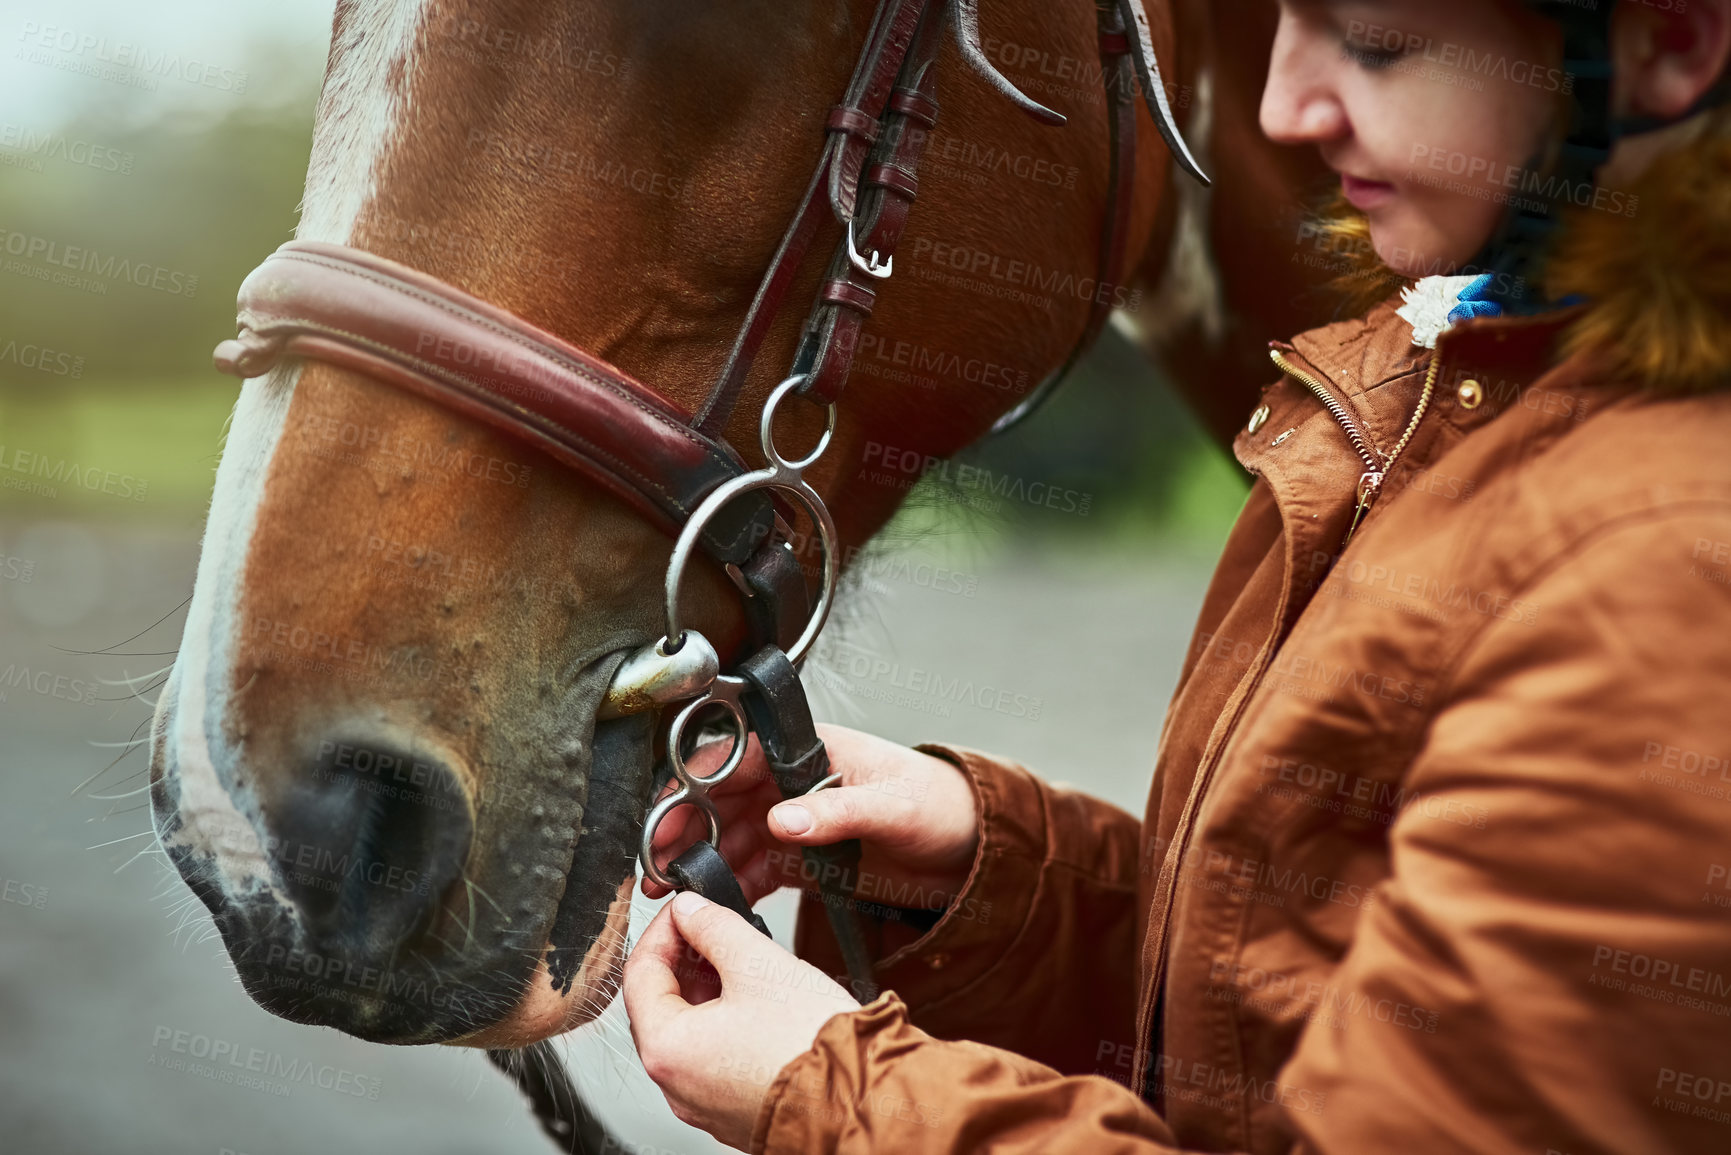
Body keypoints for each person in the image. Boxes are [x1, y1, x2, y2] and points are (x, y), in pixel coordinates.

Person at [622, 0, 1731, 1150]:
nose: (1281, 111)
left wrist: (840, 1096)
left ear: (1667, 46)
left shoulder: (1666, 575)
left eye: (1378, 44)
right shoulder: (1449, 391)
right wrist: (991, 869)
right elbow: (1311, 1005)